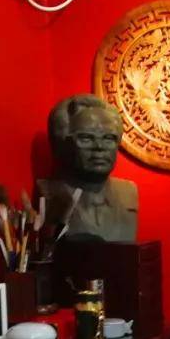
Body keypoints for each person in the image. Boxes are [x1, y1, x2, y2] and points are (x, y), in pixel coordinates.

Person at [37, 94, 138, 242]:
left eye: (109, 138)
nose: (99, 146)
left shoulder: (128, 193)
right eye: (86, 138)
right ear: (62, 144)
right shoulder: (50, 194)